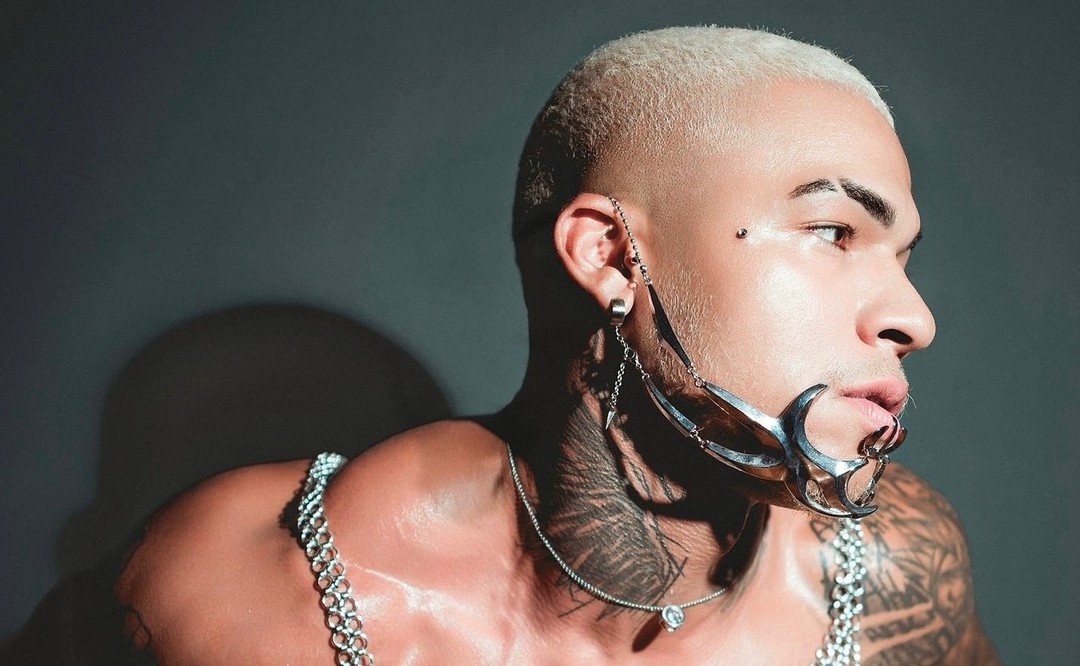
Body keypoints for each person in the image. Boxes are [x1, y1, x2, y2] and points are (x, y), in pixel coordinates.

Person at [116, 26, 997, 664]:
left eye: (901, 257)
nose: (914, 318)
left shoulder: (890, 577)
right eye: (833, 232)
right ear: (610, 255)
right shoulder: (265, 584)